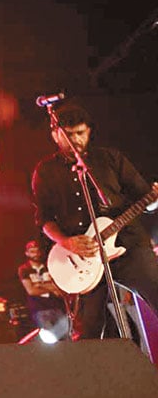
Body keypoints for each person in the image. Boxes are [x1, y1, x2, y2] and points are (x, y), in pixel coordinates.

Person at [31, 102, 158, 339]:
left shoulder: (110, 158)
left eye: (80, 133)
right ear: (55, 134)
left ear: (89, 131)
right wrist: (66, 242)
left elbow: (146, 200)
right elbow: (44, 219)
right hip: (83, 256)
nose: (75, 140)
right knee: (88, 328)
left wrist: (155, 198)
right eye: (68, 135)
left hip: (128, 245)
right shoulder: (45, 171)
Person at [17, 240, 66, 337]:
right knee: (50, 337)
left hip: (57, 306)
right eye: (32, 252)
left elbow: (58, 286)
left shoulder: (49, 266)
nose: (36, 254)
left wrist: (39, 285)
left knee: (65, 335)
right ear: (27, 253)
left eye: (37, 251)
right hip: (39, 308)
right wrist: (51, 288)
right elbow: (31, 291)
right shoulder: (24, 269)